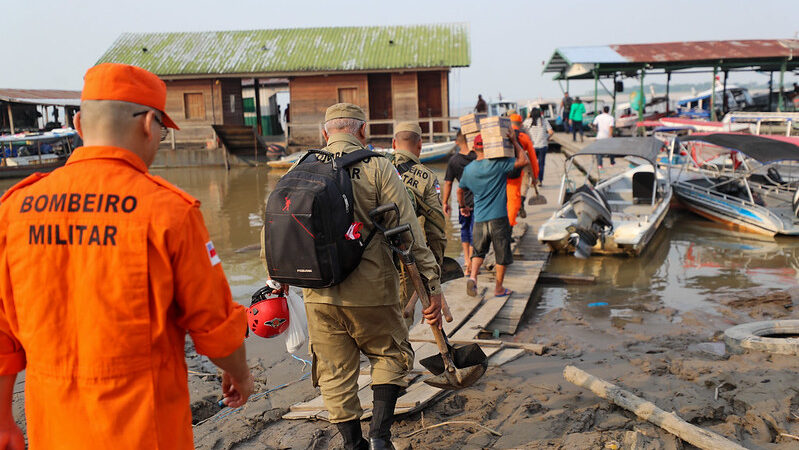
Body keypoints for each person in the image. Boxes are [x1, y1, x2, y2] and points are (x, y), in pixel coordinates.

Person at [0, 63, 253, 449]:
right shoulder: (169, 212)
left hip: (53, 428)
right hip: (144, 428)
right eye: (164, 130)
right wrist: (239, 373)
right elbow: (214, 323)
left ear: (80, 124)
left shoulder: (15, 210)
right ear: (150, 125)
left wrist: (4, 421)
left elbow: (3, 335)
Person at [262, 103, 442, 450]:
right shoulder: (378, 168)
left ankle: (352, 443)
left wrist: (276, 283)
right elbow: (409, 235)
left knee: (333, 372)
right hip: (373, 290)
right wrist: (431, 287)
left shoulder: (300, 167)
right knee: (390, 354)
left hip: (318, 294)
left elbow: (273, 233)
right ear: (363, 132)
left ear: (324, 134)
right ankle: (379, 437)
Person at [391, 121, 448, 329]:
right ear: (420, 145)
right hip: (402, 264)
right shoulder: (427, 178)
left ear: (393, 143)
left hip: (366, 262)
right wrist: (435, 271)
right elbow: (437, 230)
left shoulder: (376, 167)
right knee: (398, 330)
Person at [458, 132, 528, 298]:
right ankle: (498, 288)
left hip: (480, 218)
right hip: (499, 217)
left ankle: (473, 278)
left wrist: (463, 206)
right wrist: (513, 141)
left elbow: (459, 190)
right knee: (501, 254)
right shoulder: (498, 163)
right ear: (489, 147)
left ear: (474, 148)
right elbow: (524, 160)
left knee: (478, 252)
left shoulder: (468, 170)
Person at [442, 130, 476, 275]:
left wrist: (445, 202)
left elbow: (448, 183)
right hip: (478, 201)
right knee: (475, 232)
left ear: (457, 142)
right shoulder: (477, 157)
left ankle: (467, 260)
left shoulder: (454, 161)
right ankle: (473, 262)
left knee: (465, 229)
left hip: (462, 200)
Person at [506, 114, 538, 226]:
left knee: (503, 200)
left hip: (500, 173)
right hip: (515, 173)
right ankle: (510, 225)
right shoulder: (523, 137)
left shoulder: (502, 136)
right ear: (520, 124)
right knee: (514, 200)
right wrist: (535, 176)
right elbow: (532, 159)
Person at [523, 107, 554, 185]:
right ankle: (540, 180)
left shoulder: (527, 122)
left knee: (532, 164)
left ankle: (533, 180)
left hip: (531, 147)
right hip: (543, 145)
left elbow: (522, 131)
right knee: (541, 164)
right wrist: (546, 137)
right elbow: (551, 132)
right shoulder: (544, 121)